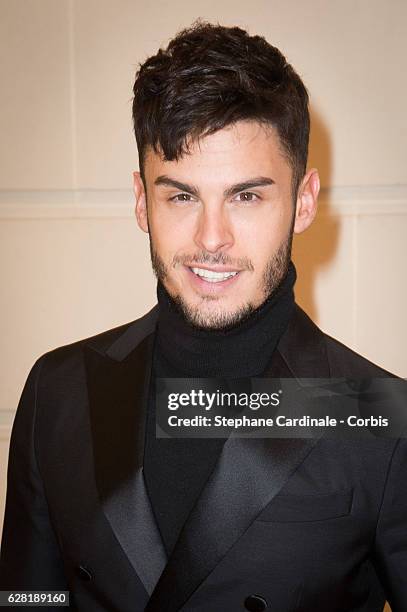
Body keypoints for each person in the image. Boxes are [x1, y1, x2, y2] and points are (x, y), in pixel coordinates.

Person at [0, 20, 406, 612]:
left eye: (247, 195)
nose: (211, 239)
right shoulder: (58, 390)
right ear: (143, 200)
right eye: (181, 195)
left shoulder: (380, 419)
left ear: (304, 201)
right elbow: (25, 599)